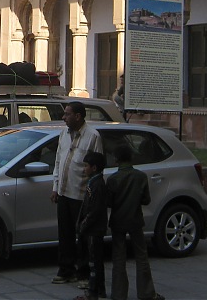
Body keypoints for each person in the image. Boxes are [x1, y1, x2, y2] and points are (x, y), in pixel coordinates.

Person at [51, 101, 103, 285]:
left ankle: (83, 273)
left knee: (82, 235)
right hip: (64, 192)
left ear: (78, 116)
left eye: (67, 114)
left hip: (81, 194)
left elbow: (97, 167)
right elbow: (58, 160)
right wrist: (56, 187)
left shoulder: (93, 136)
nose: (64, 117)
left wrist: (92, 193)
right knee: (64, 233)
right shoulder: (63, 134)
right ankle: (66, 270)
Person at [107, 143, 164, 300]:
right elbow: (146, 200)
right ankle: (146, 292)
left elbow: (109, 202)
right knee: (141, 255)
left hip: (118, 220)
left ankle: (119, 294)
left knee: (118, 257)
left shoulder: (112, 179)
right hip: (135, 220)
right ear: (131, 158)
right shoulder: (140, 177)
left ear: (116, 159)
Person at [75, 151, 109, 300]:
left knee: (94, 262)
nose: (84, 169)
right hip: (93, 228)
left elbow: (94, 210)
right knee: (95, 260)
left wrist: (83, 225)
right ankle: (99, 289)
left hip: (94, 229)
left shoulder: (98, 185)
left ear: (94, 168)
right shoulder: (93, 182)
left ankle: (93, 291)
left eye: (86, 166)